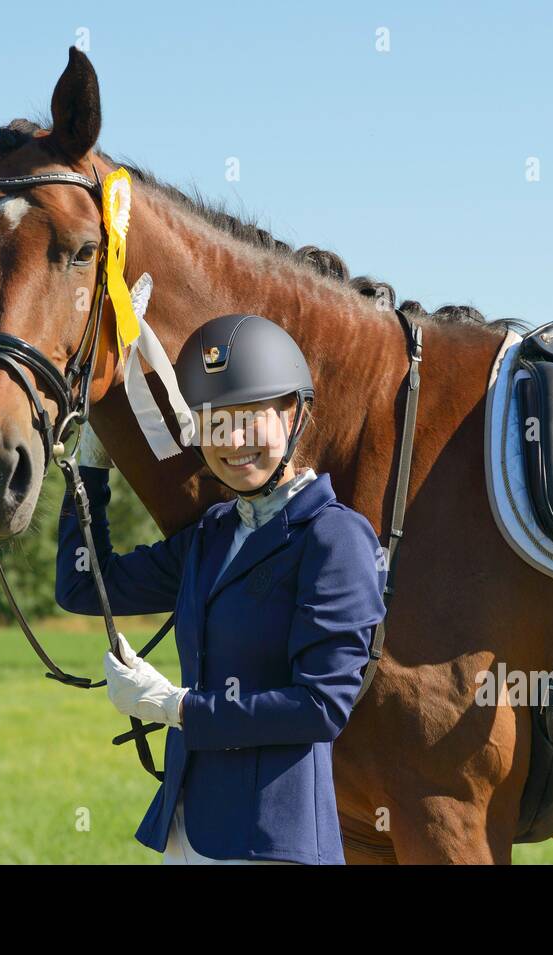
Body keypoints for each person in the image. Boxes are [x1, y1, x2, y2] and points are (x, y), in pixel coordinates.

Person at [54, 313, 386, 864]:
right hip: (189, 828)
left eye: (249, 417)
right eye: (212, 421)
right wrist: (90, 467)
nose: (230, 440)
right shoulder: (213, 534)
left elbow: (320, 706)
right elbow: (87, 587)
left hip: (272, 840)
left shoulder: (335, 538)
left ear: (293, 414)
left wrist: (177, 707)